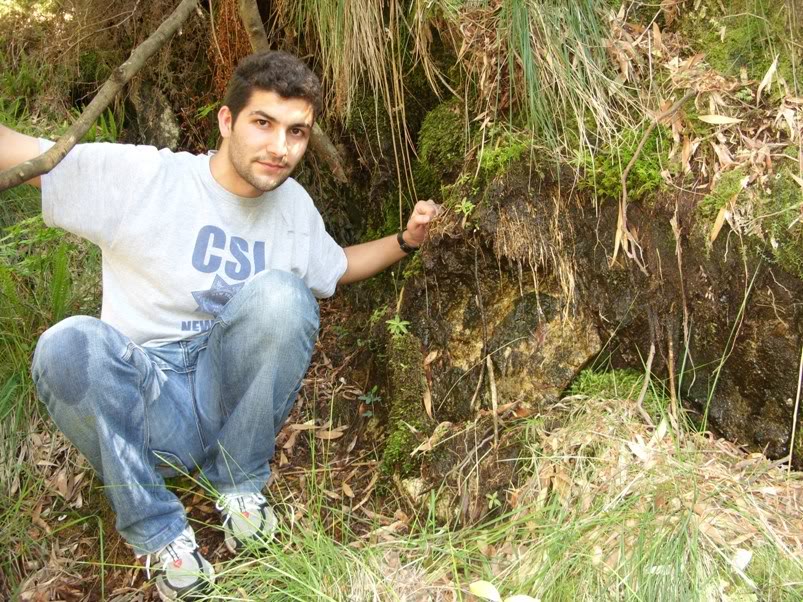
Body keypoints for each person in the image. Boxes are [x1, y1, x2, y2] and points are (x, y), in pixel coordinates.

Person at [0, 50, 439, 600]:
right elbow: (22, 154)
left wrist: (406, 241)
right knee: (65, 344)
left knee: (284, 294)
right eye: (263, 123)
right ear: (227, 121)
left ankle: (239, 485)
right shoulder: (147, 178)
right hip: (149, 406)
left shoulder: (294, 207)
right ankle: (161, 534)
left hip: (229, 397)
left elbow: (339, 267)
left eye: (297, 132)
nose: (281, 148)